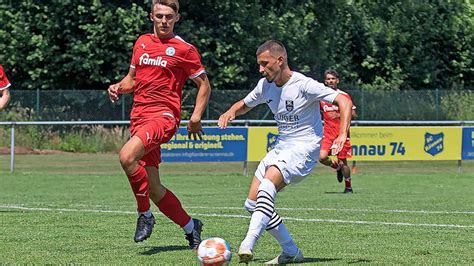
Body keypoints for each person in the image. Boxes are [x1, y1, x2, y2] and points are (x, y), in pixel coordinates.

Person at [218, 40, 352, 264]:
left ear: (280, 60)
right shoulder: (265, 85)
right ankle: (291, 251)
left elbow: (343, 100)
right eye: (259, 64)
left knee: (268, 185)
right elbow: (246, 103)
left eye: (265, 63)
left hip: (304, 147)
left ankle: (247, 243)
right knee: (252, 204)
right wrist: (231, 111)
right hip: (282, 146)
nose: (261, 69)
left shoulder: (303, 84)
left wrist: (341, 134)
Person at [107, 0, 211, 249]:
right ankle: (190, 227)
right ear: (151, 17)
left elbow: (204, 85)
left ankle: (145, 215)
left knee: (126, 156)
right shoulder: (141, 42)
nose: (164, 21)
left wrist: (195, 117)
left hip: (164, 116)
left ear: (177, 18)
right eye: (159, 16)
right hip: (139, 117)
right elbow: (132, 80)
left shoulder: (185, 49)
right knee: (153, 188)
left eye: (169, 16)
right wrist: (118, 87)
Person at [319, 69, 357, 193]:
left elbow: (354, 114)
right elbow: (319, 113)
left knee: (343, 161)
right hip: (328, 134)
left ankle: (348, 186)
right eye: (328, 79)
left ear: (337, 81)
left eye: (333, 78)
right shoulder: (321, 97)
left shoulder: (344, 96)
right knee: (322, 157)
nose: (330, 81)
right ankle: (336, 167)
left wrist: (342, 113)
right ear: (325, 81)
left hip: (341, 134)